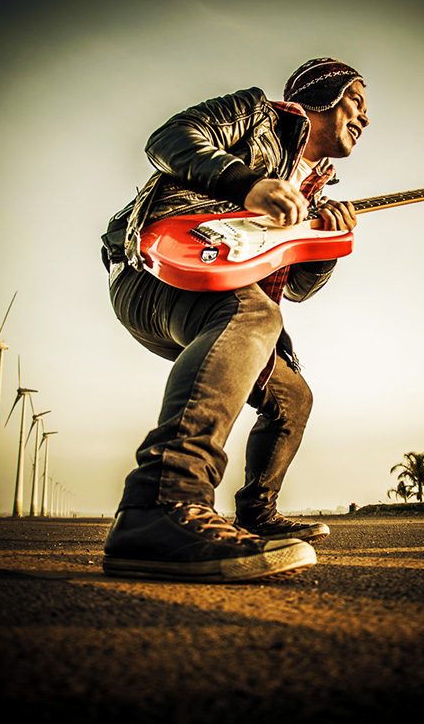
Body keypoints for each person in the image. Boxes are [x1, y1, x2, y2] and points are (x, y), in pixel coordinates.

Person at [98, 57, 369, 582]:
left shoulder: (314, 193)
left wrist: (326, 244)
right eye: (355, 100)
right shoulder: (257, 113)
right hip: (154, 266)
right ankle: (163, 501)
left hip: (228, 297)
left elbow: (294, 287)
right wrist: (246, 184)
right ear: (322, 94)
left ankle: (257, 515)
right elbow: (169, 138)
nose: (364, 116)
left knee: (293, 398)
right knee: (251, 311)